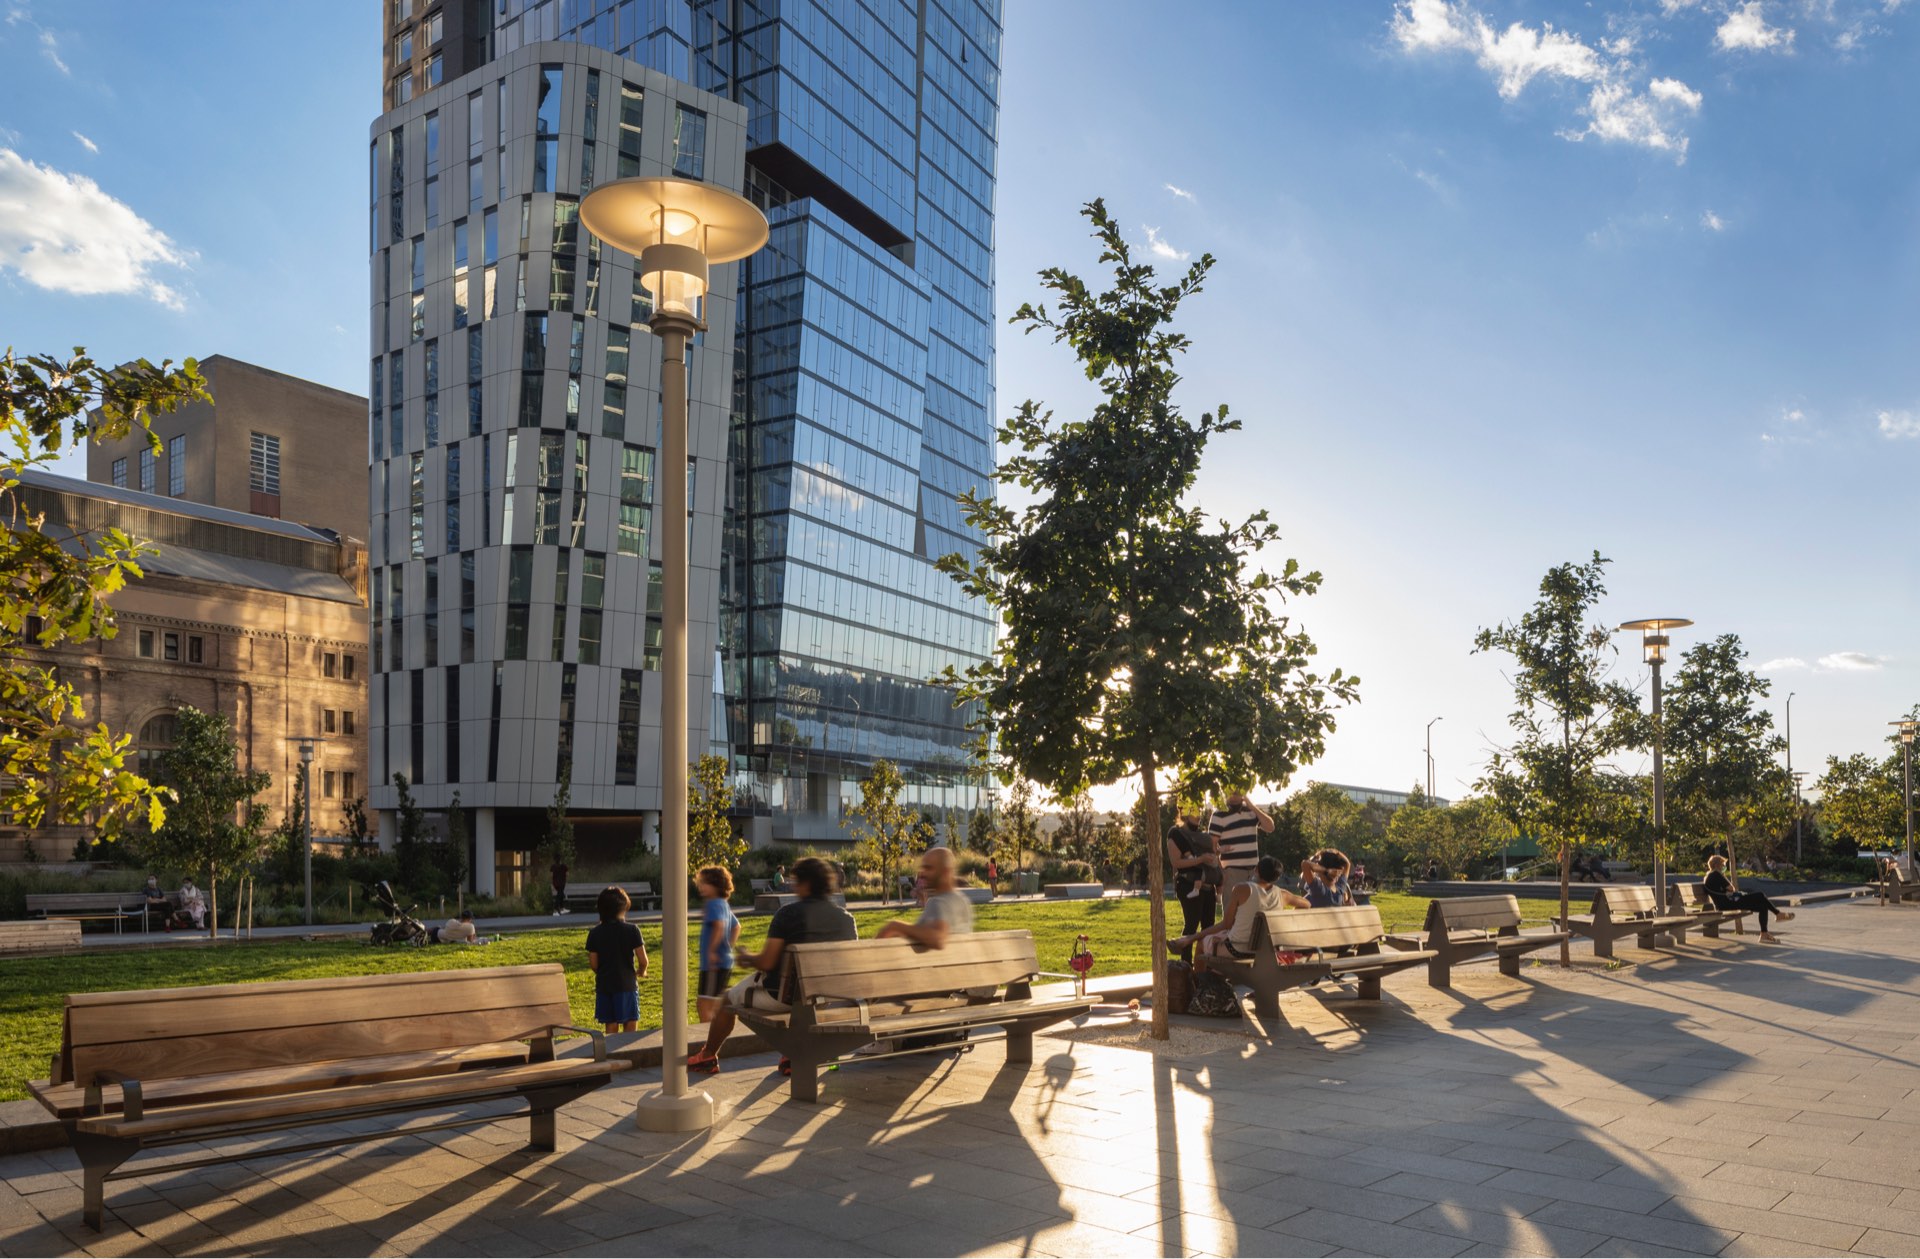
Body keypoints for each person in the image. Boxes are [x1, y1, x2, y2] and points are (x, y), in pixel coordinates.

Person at [689, 857, 856, 1076]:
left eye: (796, 880)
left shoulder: (788, 914)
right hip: (827, 998)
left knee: (725, 1000)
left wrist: (748, 958)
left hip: (783, 997)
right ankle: (792, 1053)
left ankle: (708, 1056)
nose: (793, 885)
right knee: (803, 1002)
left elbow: (767, 962)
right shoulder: (845, 918)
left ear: (806, 884)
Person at [1169, 856, 1310, 960]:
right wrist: (1287, 919)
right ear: (1276, 878)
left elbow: (1226, 924)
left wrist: (1191, 938)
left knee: (1201, 944)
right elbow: (1306, 904)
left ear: (1256, 870)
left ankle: (1199, 988)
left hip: (1237, 949)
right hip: (1265, 951)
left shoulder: (1242, 889)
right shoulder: (1282, 895)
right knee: (1217, 940)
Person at [585, 886, 647, 1033]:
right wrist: (641, 971)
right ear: (624, 908)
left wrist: (601, 971)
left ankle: (612, 1053)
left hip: (605, 985)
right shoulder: (632, 930)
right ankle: (630, 1051)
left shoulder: (595, 933)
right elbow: (643, 960)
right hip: (626, 984)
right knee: (630, 1020)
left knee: (610, 1022)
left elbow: (594, 963)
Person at [1166, 812, 1220, 964]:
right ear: (1184, 813)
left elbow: (1214, 853)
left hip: (1208, 886)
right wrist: (1201, 860)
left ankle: (1205, 966)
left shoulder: (1202, 836)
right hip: (1188, 885)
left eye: (1199, 811)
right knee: (1191, 925)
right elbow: (1176, 863)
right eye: (1194, 812)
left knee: (1209, 927)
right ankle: (1186, 965)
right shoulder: (1176, 834)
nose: (1198, 815)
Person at [1704, 854, 1794, 943]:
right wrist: (1723, 877)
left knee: (1763, 906)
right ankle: (1778, 914)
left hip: (1726, 903)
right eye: (1722, 864)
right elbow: (1732, 888)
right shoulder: (1715, 874)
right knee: (1760, 895)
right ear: (1717, 865)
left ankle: (1764, 934)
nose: (1724, 866)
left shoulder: (1709, 875)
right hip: (1728, 903)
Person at [1207, 790, 1274, 907]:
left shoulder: (1251, 811)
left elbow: (1270, 827)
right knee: (1232, 913)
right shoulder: (1219, 814)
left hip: (1255, 871)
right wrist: (1221, 872)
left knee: (1255, 912)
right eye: (1230, 791)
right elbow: (1210, 846)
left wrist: (1252, 806)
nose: (1233, 795)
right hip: (1232, 872)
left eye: (1237, 792)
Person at [696, 866, 740, 1024]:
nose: (700, 886)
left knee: (704, 1005)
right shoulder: (723, 904)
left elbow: (719, 925)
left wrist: (713, 951)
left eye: (703, 883)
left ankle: (708, 1039)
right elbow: (736, 926)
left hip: (713, 965)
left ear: (716, 885)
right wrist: (728, 946)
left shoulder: (713, 904)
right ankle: (716, 1035)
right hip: (724, 962)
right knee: (714, 1005)